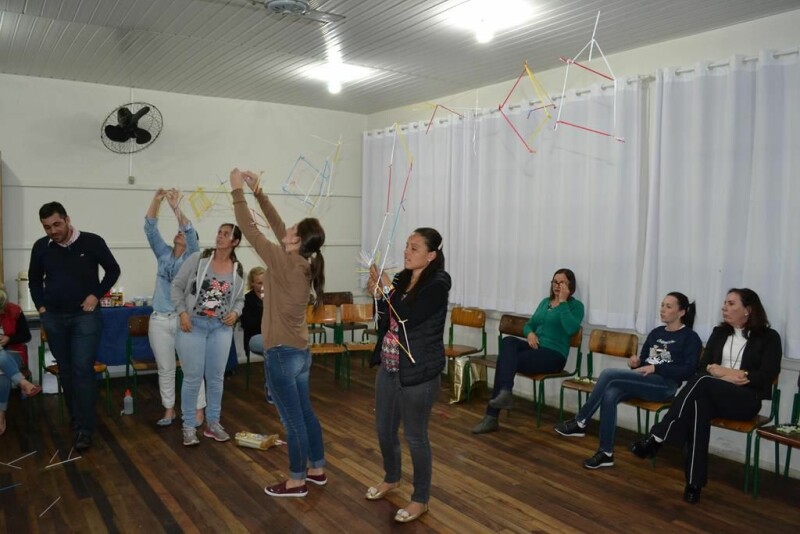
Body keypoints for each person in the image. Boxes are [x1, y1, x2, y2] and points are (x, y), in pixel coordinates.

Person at [630, 288, 782, 504]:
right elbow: (702, 368)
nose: (724, 307)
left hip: (746, 400)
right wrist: (724, 375)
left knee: (702, 383)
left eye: (731, 304)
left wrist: (726, 372)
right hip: (713, 393)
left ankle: (658, 436)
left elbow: (766, 376)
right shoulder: (719, 333)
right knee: (700, 404)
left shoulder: (769, 337)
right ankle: (694, 483)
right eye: (724, 303)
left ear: (748, 309)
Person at [231, 168, 327, 498]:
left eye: (294, 230)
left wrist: (236, 192)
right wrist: (258, 190)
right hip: (299, 352)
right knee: (305, 413)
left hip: (283, 353)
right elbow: (274, 225)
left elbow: (250, 230)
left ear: (297, 241)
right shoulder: (300, 260)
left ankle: (297, 481)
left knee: (293, 421)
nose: (288, 229)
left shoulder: (286, 261)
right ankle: (316, 469)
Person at [554, 292, 702, 469]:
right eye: (662, 305)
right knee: (611, 392)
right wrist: (637, 363)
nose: (662, 309)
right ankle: (606, 453)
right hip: (644, 380)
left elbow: (688, 371)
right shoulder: (656, 333)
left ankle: (580, 421)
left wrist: (656, 368)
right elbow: (646, 361)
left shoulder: (690, 338)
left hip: (664, 386)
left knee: (609, 374)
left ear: (682, 312)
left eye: (668, 306)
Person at [366, 228, 451, 524]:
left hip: (420, 373)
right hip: (390, 366)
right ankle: (391, 478)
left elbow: (407, 318)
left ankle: (420, 499)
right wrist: (377, 295)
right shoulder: (402, 278)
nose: (406, 251)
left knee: (416, 437)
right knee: (384, 430)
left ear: (431, 255)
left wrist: (388, 291)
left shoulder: (438, 285)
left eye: (414, 248)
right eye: (406, 246)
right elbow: (387, 320)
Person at [29, 201, 120, 451]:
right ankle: (77, 419)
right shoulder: (41, 247)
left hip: (85, 317)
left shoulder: (92, 241)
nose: (53, 231)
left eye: (57, 224)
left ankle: (85, 428)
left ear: (67, 219)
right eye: (47, 227)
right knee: (67, 372)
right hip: (55, 318)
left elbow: (113, 270)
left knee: (82, 369)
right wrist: (42, 309)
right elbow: (35, 281)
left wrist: (96, 294)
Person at [472, 268, 584, 434]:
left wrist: (563, 302)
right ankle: (505, 392)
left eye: (562, 282)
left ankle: (491, 417)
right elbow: (529, 324)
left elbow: (570, 329)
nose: (557, 285)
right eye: (555, 282)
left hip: (554, 355)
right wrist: (530, 333)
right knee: (508, 341)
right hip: (536, 348)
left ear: (570, 286)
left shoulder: (575, 306)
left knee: (505, 360)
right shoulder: (545, 302)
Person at [171, 223, 245, 446]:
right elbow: (176, 286)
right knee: (193, 378)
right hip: (193, 326)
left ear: (235, 242)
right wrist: (182, 312)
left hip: (220, 328)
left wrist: (235, 312)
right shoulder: (198, 259)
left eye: (226, 234)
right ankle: (189, 426)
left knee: (216, 379)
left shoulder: (238, 268)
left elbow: (240, 298)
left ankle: (213, 423)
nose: (220, 237)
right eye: (219, 232)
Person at [144, 188, 206, 427]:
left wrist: (175, 207)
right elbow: (150, 229)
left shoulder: (193, 257)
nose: (180, 232)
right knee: (165, 368)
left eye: (184, 232)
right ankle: (169, 410)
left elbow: (190, 232)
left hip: (183, 319)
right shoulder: (163, 254)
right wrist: (156, 200)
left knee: (192, 367)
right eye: (177, 231)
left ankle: (198, 410)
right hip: (159, 319)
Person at [0, 287, 41, 436]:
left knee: (1, 365)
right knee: (1, 369)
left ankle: (1, 415)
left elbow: (26, 336)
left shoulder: (15, 311)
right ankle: (23, 383)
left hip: (14, 354)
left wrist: (9, 339)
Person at [241, 266, 272, 403]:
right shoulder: (246, 300)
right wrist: (265, 311)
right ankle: (271, 389)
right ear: (252, 283)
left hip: (273, 337)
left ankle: (283, 387)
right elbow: (247, 324)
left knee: (281, 349)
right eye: (259, 283)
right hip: (254, 337)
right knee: (272, 349)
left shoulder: (273, 297)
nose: (263, 285)